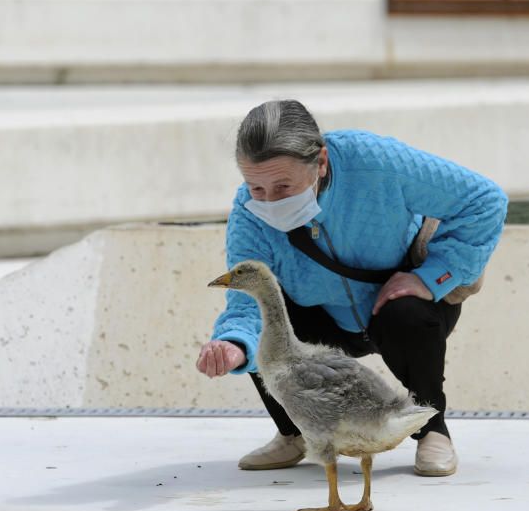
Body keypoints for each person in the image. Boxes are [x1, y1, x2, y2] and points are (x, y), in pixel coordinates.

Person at [197, 100, 508, 477]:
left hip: (397, 303)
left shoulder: (373, 160)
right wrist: (233, 345)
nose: (269, 201)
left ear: (321, 162)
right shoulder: (249, 212)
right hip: (320, 316)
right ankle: (293, 433)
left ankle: (432, 431)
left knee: (405, 314)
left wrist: (433, 277)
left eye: (283, 186)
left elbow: (484, 200)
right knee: (265, 318)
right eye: (256, 187)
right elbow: (246, 301)